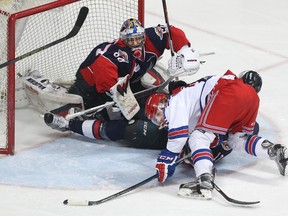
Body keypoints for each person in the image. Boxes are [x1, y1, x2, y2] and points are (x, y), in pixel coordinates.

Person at [44, 18, 200, 149]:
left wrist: (184, 51)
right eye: (130, 40)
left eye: (138, 38)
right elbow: (107, 78)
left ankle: (78, 121)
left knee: (137, 117)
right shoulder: (117, 55)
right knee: (121, 120)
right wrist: (123, 103)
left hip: (127, 81)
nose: (135, 43)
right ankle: (69, 122)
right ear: (123, 40)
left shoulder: (152, 38)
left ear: (143, 36)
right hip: (92, 86)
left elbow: (170, 32)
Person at [145, 70, 288, 200]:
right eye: (154, 119)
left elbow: (179, 137)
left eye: (157, 114)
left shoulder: (174, 103)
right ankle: (273, 150)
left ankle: (204, 183)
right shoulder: (186, 100)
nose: (158, 120)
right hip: (251, 98)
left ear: (163, 102)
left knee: (198, 137)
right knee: (237, 139)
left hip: (229, 92)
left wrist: (166, 158)